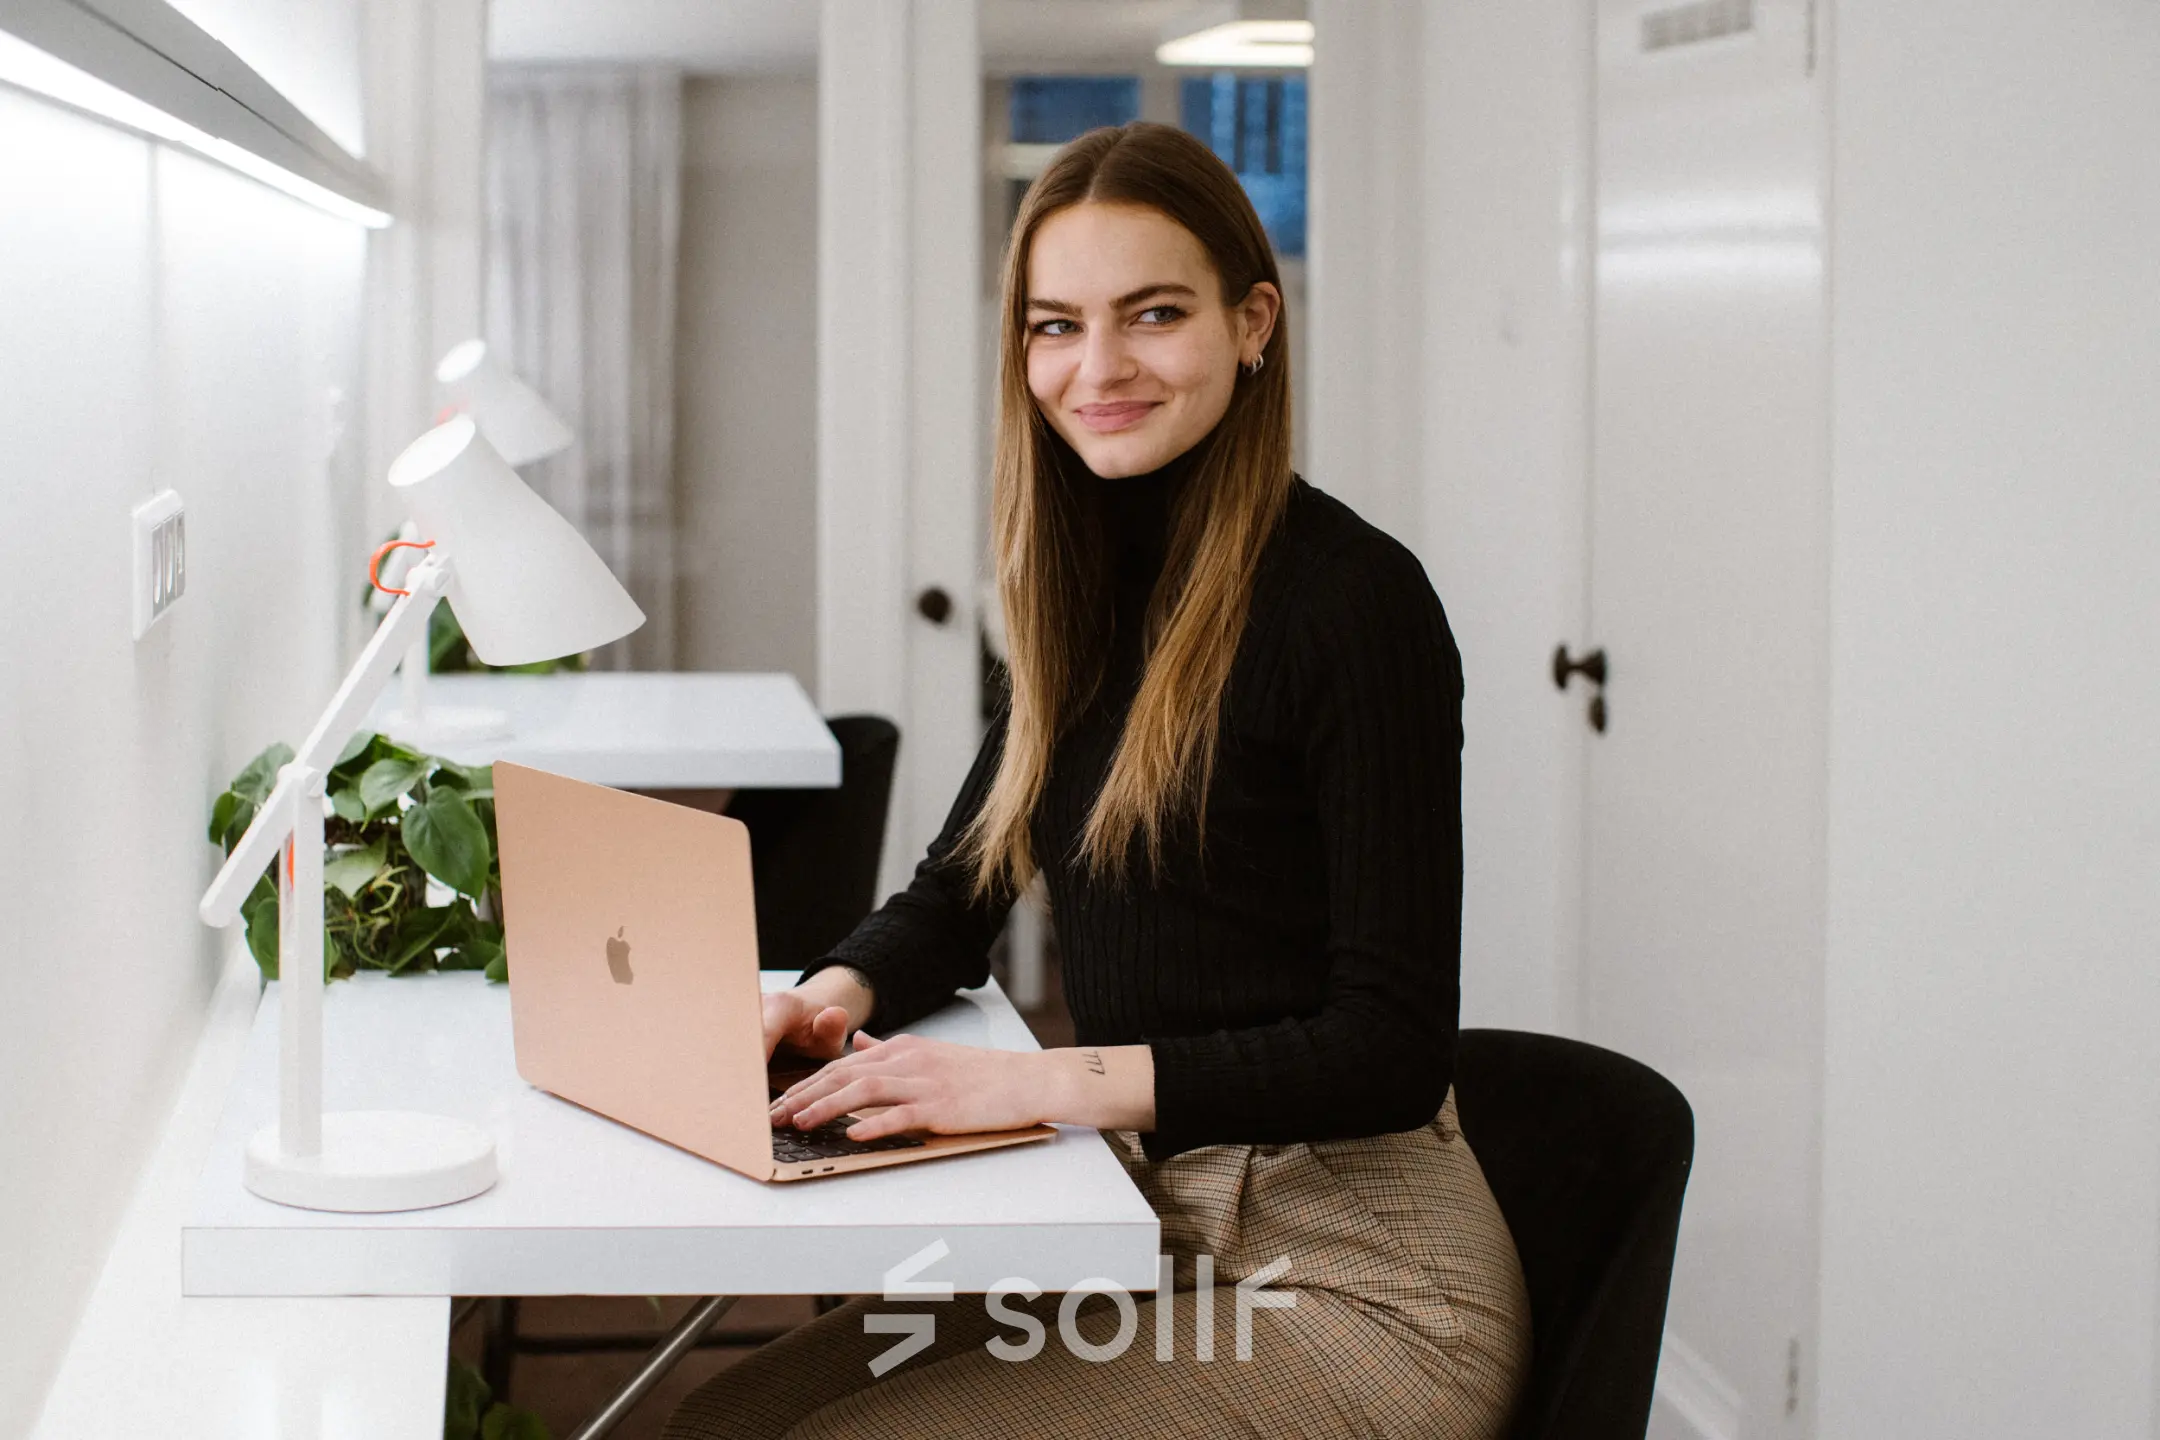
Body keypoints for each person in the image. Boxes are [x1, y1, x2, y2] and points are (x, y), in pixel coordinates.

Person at [664, 121, 1530, 1440]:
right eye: (1055, 325)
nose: (1097, 368)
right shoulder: (1075, 601)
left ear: (1254, 324)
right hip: (1148, 1230)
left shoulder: (1354, 604)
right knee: (717, 1424)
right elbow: (959, 893)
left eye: (1154, 314)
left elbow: (1392, 1051)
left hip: (1356, 1280)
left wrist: (1031, 1087)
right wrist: (826, 996)